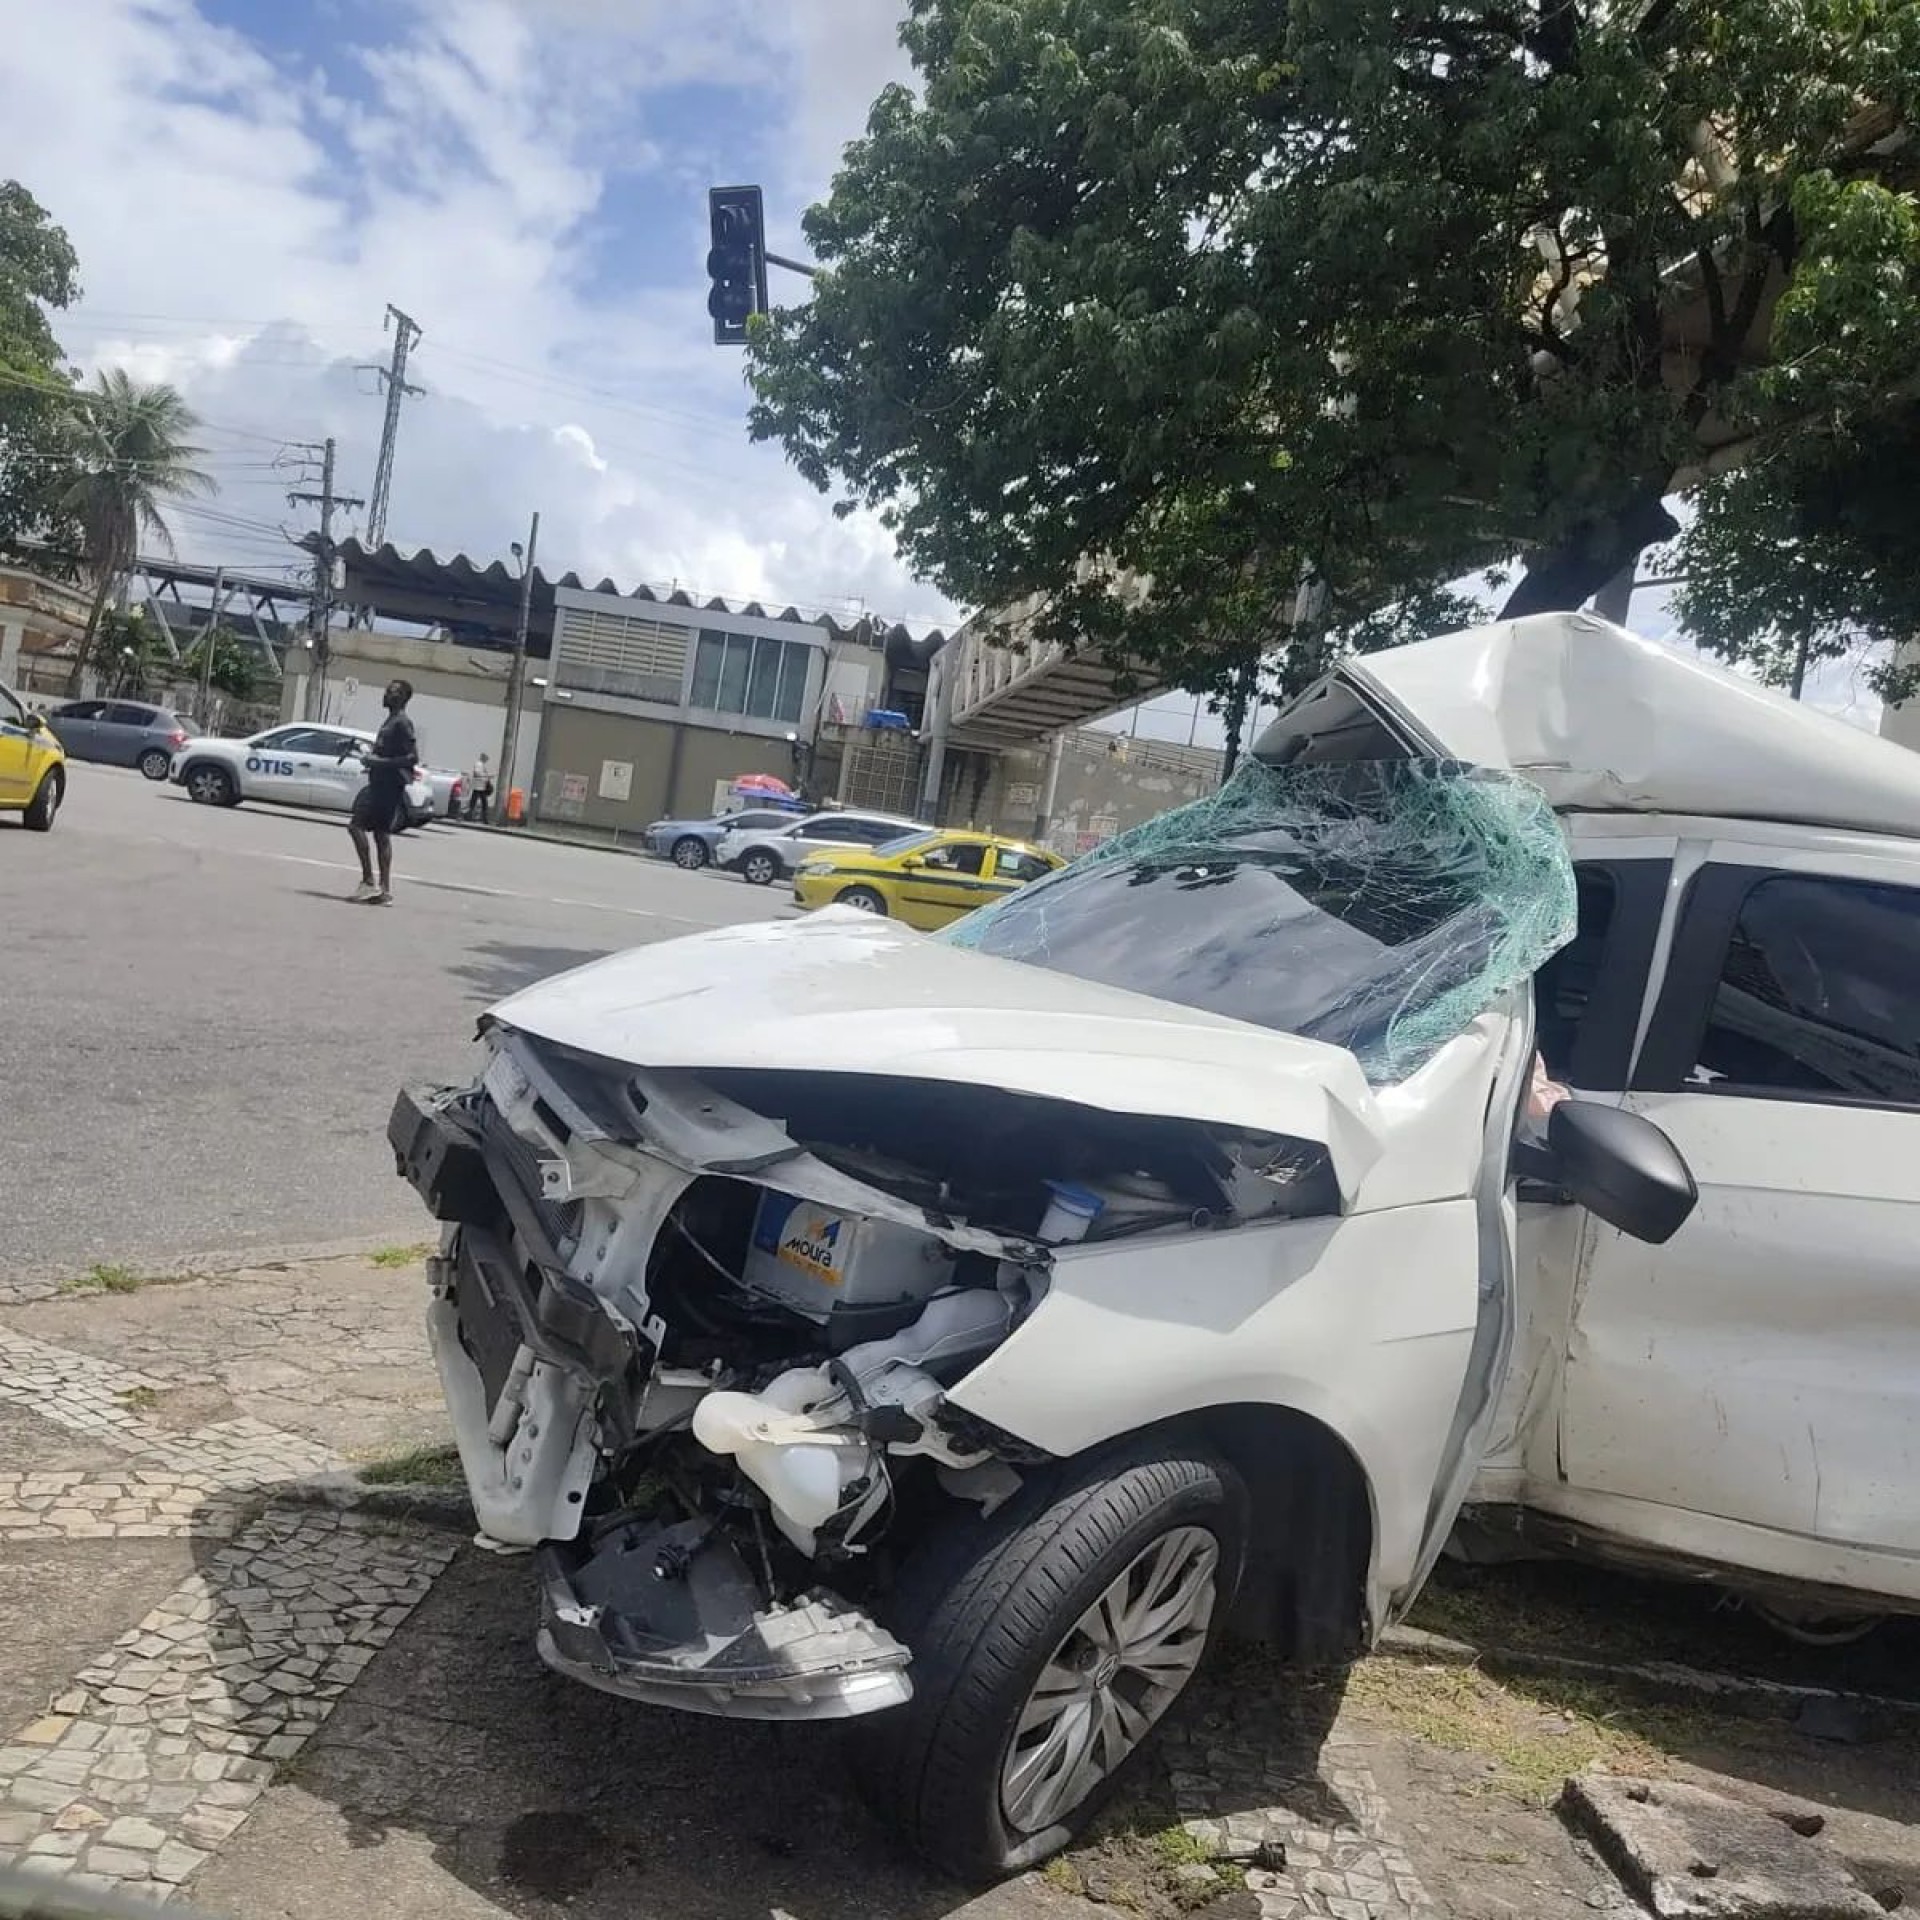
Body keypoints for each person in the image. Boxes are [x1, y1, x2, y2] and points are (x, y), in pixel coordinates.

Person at [347, 679, 418, 905]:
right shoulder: (391, 721)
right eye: (386, 690)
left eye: (392, 691)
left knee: (357, 826)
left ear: (402, 697)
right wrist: (371, 756)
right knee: (380, 833)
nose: (386, 694)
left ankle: (370, 881)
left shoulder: (402, 723)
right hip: (379, 782)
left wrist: (378, 761)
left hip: (388, 786)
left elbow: (412, 758)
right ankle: (383, 889)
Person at [466, 750, 494, 824]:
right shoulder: (479, 764)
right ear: (483, 758)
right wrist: (488, 776)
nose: (486, 760)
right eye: (486, 758)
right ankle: (483, 819)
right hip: (479, 786)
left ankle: (470, 816)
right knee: (483, 802)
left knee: (475, 801)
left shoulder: (481, 764)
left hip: (480, 786)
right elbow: (477, 773)